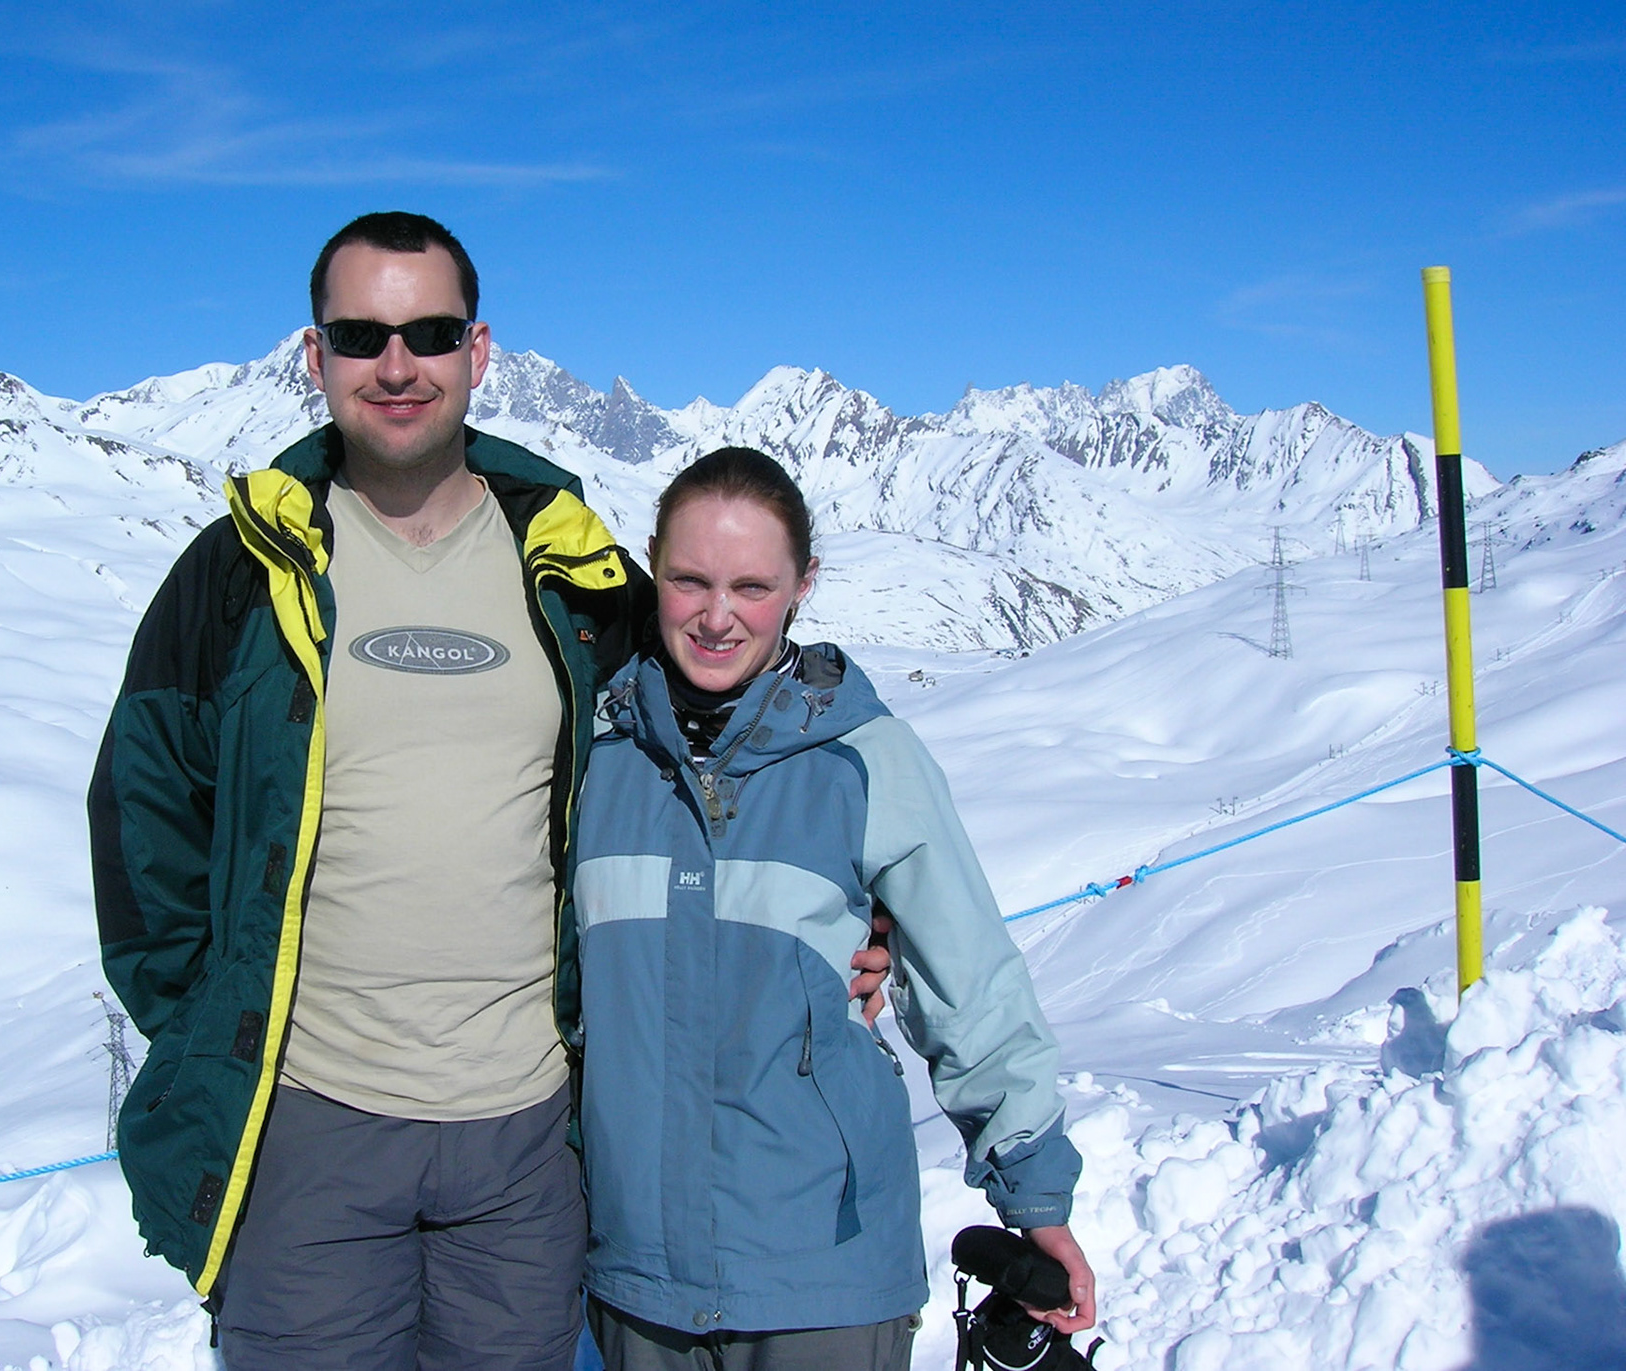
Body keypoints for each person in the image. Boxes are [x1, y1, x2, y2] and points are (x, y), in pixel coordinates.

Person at [87, 217, 887, 1370]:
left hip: (524, 1139)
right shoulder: (238, 575)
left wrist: (853, 900)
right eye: (362, 334)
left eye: (430, 331)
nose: (398, 363)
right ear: (313, 356)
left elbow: (704, 763)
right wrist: (215, 1029)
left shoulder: (574, 575)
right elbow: (142, 824)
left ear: (479, 349)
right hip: (308, 1126)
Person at [571, 447, 1095, 1370]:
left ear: (804, 584)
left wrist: (1035, 1196)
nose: (718, 615)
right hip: (634, 1277)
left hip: (825, 1271)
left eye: (753, 585)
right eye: (689, 580)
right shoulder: (596, 754)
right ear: (651, 562)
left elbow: (965, 976)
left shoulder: (865, 758)